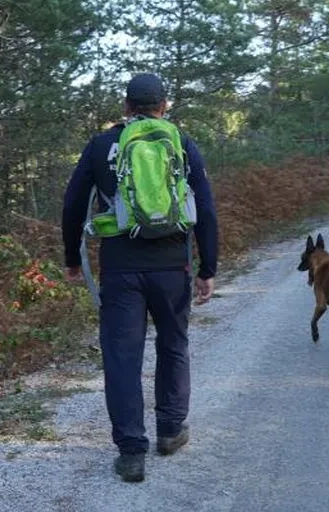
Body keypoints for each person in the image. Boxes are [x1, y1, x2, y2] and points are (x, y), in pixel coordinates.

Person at [62, 73, 218, 483]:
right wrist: (208, 268)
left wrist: (72, 259)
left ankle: (132, 452)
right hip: (172, 266)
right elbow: (204, 207)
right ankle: (170, 431)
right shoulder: (181, 142)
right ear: (164, 106)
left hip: (120, 268)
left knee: (122, 358)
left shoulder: (101, 145)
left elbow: (73, 203)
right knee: (173, 345)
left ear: (127, 106)